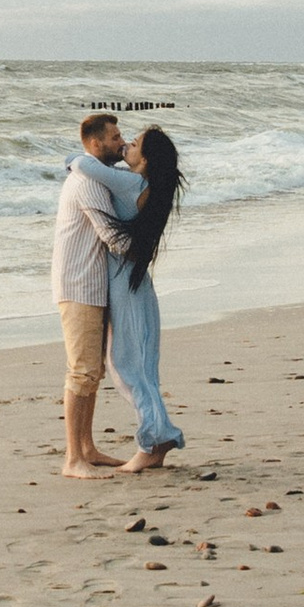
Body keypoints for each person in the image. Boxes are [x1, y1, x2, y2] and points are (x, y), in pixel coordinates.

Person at [51, 111, 130, 477]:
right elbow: (111, 234)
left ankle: (88, 448)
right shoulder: (86, 182)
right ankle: (72, 459)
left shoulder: (97, 177)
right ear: (96, 143)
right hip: (78, 286)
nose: (120, 141)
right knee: (81, 372)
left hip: (93, 285)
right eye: (114, 137)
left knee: (93, 372)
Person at [104, 125, 185, 470]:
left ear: (146, 159)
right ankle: (157, 438)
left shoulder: (132, 183)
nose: (126, 145)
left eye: (133, 144)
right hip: (136, 288)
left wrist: (87, 151)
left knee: (128, 366)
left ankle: (154, 439)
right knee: (139, 367)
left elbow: (78, 164)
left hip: (127, 288)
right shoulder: (146, 185)